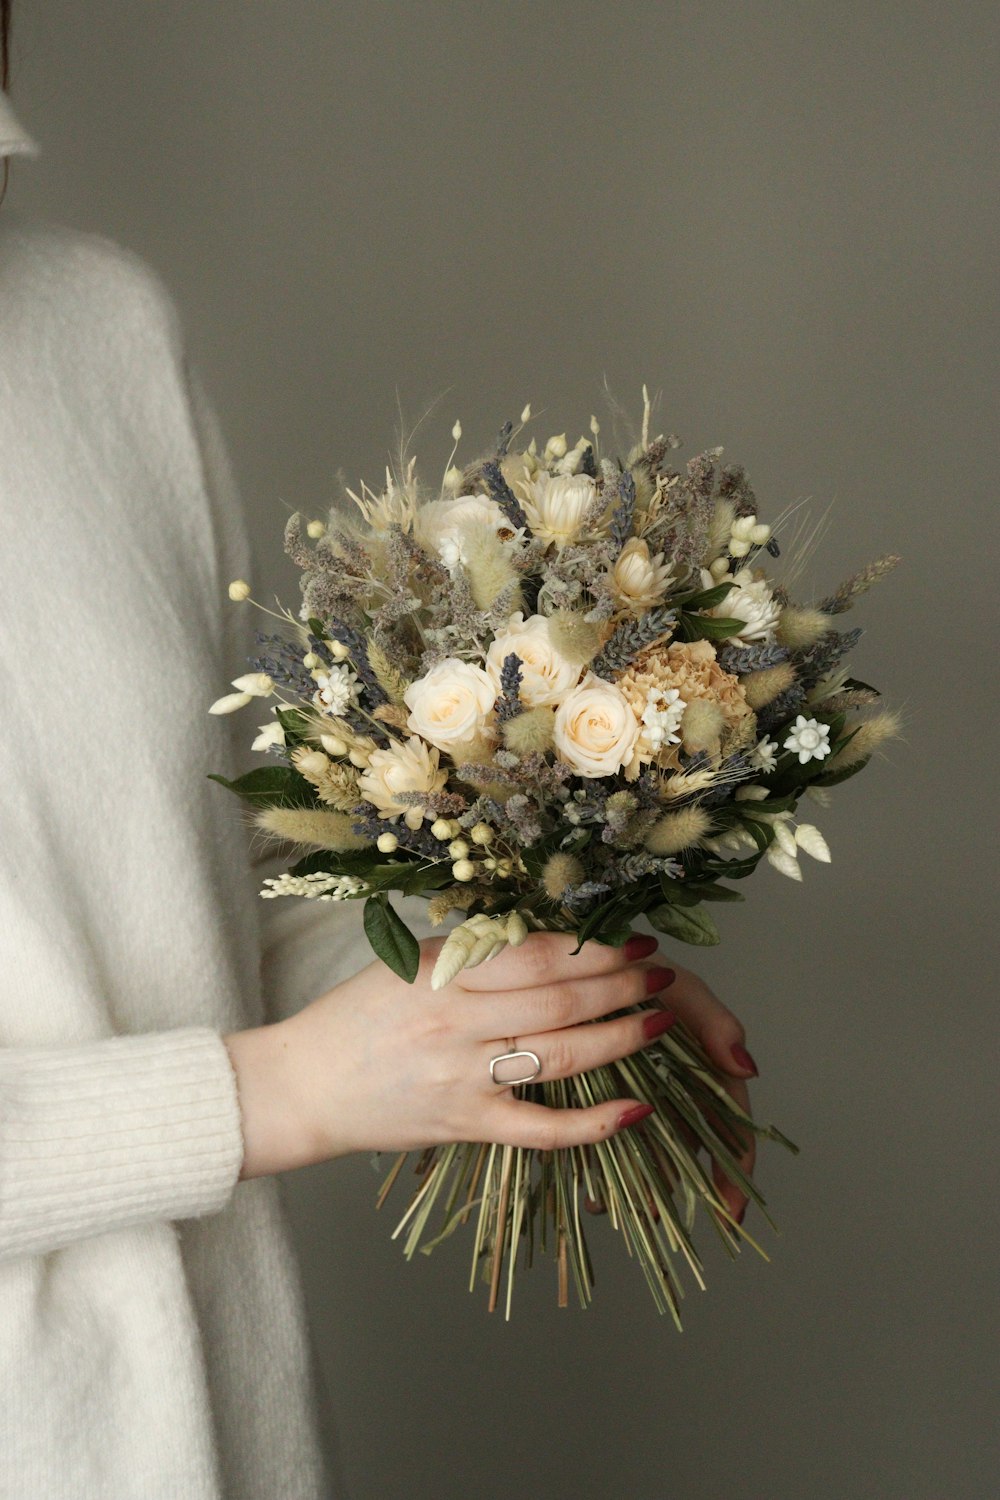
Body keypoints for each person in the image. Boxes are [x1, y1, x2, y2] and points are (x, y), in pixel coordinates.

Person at [0, 36, 757, 1500]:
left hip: (222, 1429)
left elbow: (187, 894)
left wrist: (535, 977)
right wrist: (274, 1095)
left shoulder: (97, 331)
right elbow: (275, 1074)